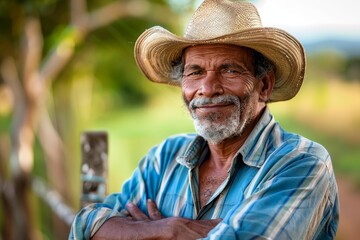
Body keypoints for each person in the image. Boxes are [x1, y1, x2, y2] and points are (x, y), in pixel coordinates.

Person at [69, 0, 339, 239]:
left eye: (230, 69)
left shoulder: (300, 163)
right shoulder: (164, 159)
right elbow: (85, 227)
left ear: (264, 86)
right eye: (195, 72)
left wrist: (136, 233)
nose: (208, 88)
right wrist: (168, 230)